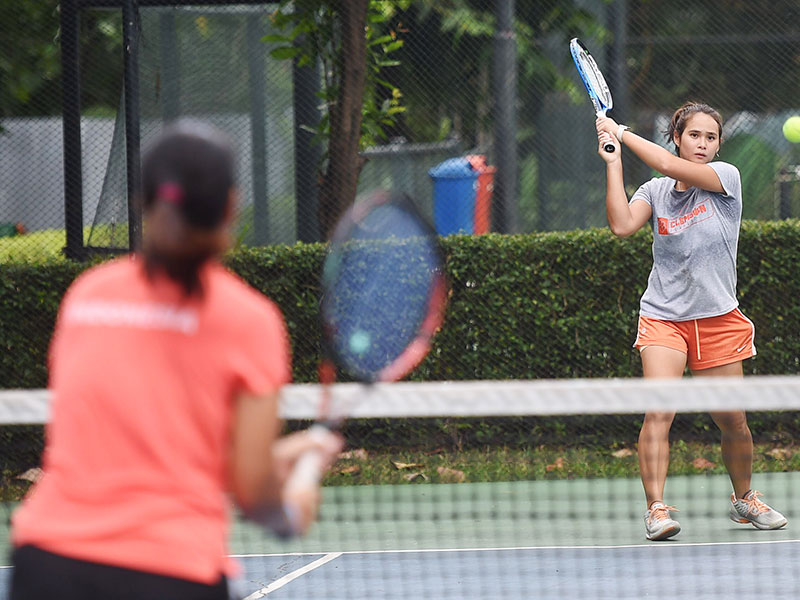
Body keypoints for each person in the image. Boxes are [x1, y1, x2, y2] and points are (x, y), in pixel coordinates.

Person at [9, 120, 343, 599]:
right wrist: (296, 501)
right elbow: (255, 498)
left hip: (48, 564)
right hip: (170, 572)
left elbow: (143, 453)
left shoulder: (86, 297)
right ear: (230, 205)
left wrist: (289, 454)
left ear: (142, 202)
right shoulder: (249, 321)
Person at [595, 102, 787, 541]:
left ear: (719, 145)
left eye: (711, 137)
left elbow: (664, 161)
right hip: (664, 318)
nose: (702, 144)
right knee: (659, 410)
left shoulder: (727, 179)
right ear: (677, 135)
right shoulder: (655, 191)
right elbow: (622, 225)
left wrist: (621, 130)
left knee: (733, 420)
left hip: (719, 319)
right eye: (694, 135)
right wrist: (613, 162)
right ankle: (656, 508)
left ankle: (744, 499)